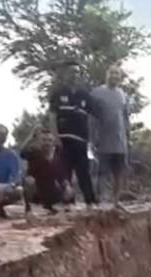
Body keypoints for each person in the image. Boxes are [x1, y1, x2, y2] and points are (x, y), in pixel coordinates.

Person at [48, 61, 98, 208]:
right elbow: (52, 116)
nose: (74, 75)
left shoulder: (84, 94)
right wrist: (55, 137)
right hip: (63, 139)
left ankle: (90, 202)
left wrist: (92, 139)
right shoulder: (58, 93)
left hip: (81, 140)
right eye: (71, 72)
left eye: (77, 72)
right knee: (64, 172)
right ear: (65, 74)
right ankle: (67, 203)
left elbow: (91, 117)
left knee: (84, 172)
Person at [90, 64, 131, 210]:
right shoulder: (97, 93)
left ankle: (116, 201)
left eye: (118, 74)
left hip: (120, 141)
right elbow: (91, 117)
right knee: (102, 171)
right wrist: (93, 138)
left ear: (120, 77)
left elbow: (125, 117)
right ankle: (100, 199)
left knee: (118, 173)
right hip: (103, 139)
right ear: (107, 74)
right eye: (112, 73)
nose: (115, 76)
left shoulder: (123, 95)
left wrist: (128, 135)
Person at [21, 128, 75, 215]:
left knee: (69, 184)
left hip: (53, 188)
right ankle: (29, 207)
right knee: (29, 181)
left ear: (53, 142)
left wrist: (67, 186)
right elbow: (22, 152)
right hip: (37, 188)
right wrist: (32, 137)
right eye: (44, 140)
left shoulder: (59, 154)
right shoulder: (34, 153)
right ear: (38, 141)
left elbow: (63, 175)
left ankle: (59, 204)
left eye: (49, 140)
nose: (47, 143)